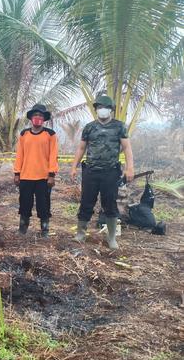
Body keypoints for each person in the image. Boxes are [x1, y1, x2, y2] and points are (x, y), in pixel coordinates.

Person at [71, 95, 135, 249]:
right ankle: (81, 233)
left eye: (104, 107)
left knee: (110, 204)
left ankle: (111, 237)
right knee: (86, 202)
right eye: (99, 107)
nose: (102, 110)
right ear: (96, 110)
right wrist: (74, 166)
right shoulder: (89, 127)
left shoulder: (119, 127)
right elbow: (81, 148)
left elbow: (126, 148)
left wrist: (130, 167)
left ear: (111, 109)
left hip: (110, 172)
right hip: (91, 171)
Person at [13, 104, 58, 237]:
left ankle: (44, 229)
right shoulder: (24, 134)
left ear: (44, 119)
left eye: (40, 115)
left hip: (43, 177)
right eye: (35, 115)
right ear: (31, 118)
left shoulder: (50, 134)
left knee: (43, 204)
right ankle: (23, 227)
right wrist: (17, 173)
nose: (37, 118)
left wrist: (51, 174)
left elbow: (53, 155)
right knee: (24, 203)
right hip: (26, 176)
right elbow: (19, 154)